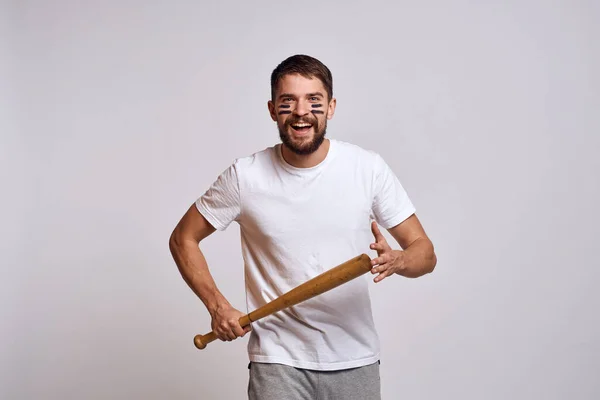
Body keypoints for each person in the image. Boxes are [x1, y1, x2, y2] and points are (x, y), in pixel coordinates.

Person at [169, 54, 437, 400]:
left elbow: (425, 254)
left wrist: (398, 260)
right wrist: (217, 306)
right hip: (277, 362)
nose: (301, 112)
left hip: (355, 359)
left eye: (314, 100)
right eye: (288, 102)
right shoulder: (245, 176)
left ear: (331, 106)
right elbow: (183, 239)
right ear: (271, 109)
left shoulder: (366, 168)